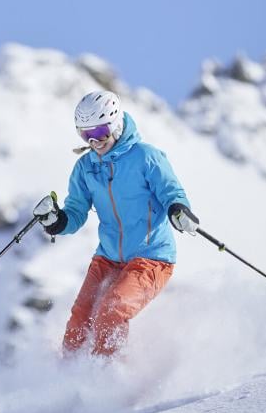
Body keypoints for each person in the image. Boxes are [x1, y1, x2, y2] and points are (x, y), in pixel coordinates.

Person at [33, 90, 200, 358]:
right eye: (85, 134)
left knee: (112, 310)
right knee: (80, 320)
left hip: (151, 258)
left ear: (115, 123)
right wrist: (56, 221)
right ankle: (66, 382)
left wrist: (178, 210)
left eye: (99, 131)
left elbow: (172, 192)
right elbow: (75, 212)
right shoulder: (85, 168)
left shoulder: (146, 157)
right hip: (108, 258)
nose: (94, 141)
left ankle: (108, 379)